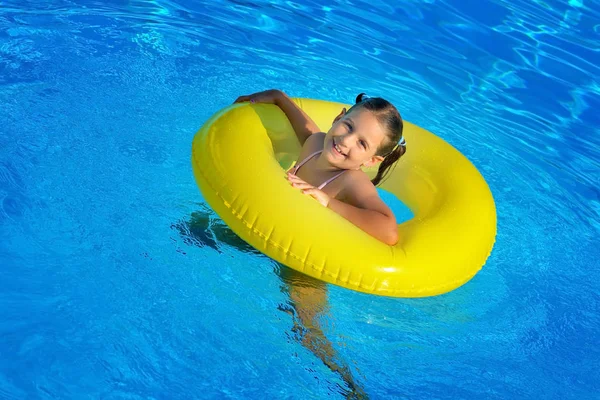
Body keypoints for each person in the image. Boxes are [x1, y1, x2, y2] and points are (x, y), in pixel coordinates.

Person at [234, 89, 406, 246]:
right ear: (338, 118)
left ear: (371, 160)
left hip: (307, 250)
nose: (346, 140)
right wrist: (279, 98)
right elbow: (306, 126)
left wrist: (328, 201)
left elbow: (389, 231)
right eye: (348, 126)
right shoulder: (315, 143)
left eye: (361, 143)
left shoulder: (352, 181)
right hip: (276, 226)